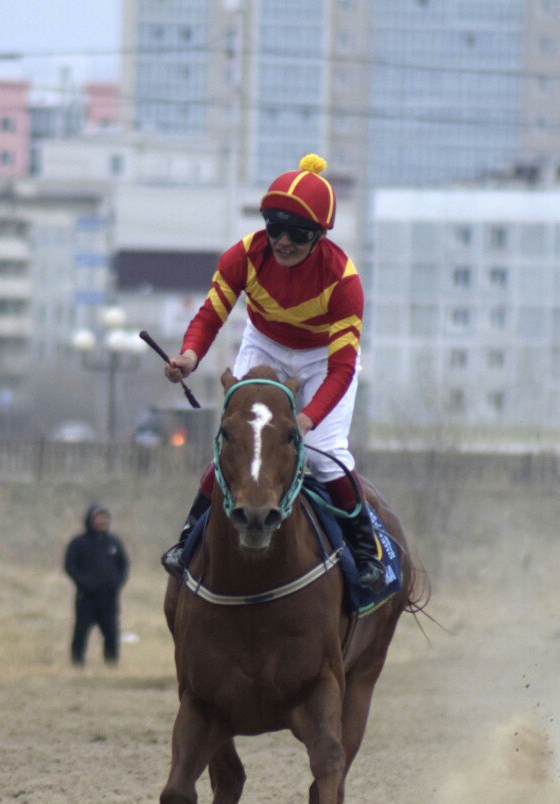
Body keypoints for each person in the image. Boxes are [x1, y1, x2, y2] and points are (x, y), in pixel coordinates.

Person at [159, 153, 386, 592]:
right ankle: (189, 537)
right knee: (240, 438)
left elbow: (341, 369)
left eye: (297, 234)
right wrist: (190, 356)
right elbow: (211, 314)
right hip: (264, 344)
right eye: (274, 227)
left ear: (320, 236)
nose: (282, 241)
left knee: (321, 453)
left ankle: (365, 549)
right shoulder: (243, 255)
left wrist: (306, 419)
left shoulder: (343, 281)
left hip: (324, 358)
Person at [64, 504, 130, 667]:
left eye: (104, 518)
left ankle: (111, 663)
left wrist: (117, 582)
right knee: (81, 632)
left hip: (109, 597)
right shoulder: (79, 543)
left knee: (111, 632)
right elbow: (70, 565)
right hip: (86, 598)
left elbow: (124, 564)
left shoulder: (113, 542)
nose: (101, 522)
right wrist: (84, 583)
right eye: (97, 518)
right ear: (90, 520)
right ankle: (77, 663)